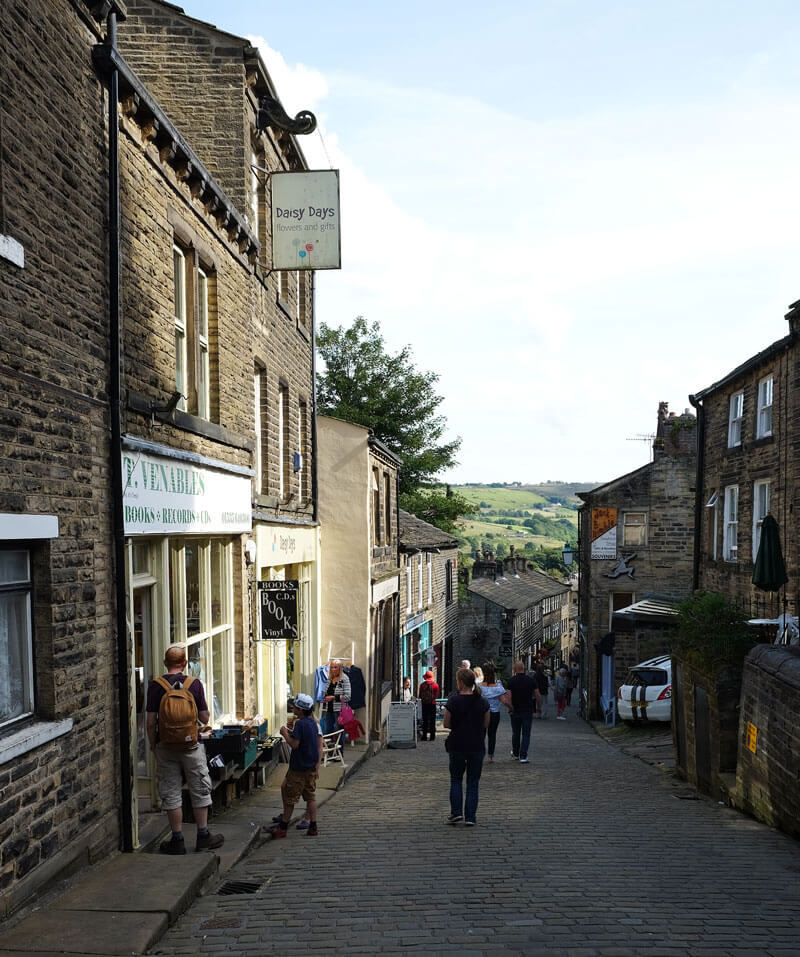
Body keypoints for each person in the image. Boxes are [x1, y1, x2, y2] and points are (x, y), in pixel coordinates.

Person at [146, 644, 224, 855]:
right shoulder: (194, 684)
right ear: (184, 664)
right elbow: (205, 717)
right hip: (191, 745)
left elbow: (151, 721)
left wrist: (154, 745)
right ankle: (203, 836)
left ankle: (177, 840)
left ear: (165, 663)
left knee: (171, 792)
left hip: (166, 746)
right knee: (199, 788)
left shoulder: (156, 686)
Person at [263, 693, 323, 839]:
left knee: (290, 799)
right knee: (311, 798)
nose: (292, 707)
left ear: (301, 710)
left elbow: (294, 744)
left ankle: (282, 828)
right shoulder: (313, 724)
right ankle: (313, 826)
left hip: (298, 769)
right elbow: (307, 741)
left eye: (295, 706)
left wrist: (284, 733)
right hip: (310, 768)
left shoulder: (300, 724)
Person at [443, 668, 490, 826]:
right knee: (472, 782)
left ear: (461, 683)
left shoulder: (453, 701)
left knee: (456, 779)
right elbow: (486, 724)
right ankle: (470, 817)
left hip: (457, 744)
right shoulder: (483, 702)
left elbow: (446, 723)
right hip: (476, 745)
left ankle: (456, 813)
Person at [506, 660, 538, 763]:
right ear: (524, 668)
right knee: (526, 734)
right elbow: (537, 695)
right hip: (527, 710)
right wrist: (539, 707)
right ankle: (523, 756)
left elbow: (508, 697)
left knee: (516, 733)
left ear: (515, 669)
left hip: (515, 711)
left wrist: (511, 708)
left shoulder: (511, 681)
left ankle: (515, 753)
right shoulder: (531, 680)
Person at [478, 662, 506, 762]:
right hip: (494, 713)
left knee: (481, 734)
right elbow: (504, 700)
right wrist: (511, 707)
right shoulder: (498, 687)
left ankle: (480, 754)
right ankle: (490, 756)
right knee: (492, 734)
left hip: (482, 713)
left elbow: (475, 699)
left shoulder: (479, 687)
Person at [321, 659, 351, 734]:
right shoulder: (330, 678)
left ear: (340, 668)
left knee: (339, 733)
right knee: (328, 732)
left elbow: (348, 696)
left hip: (339, 711)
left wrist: (333, 697)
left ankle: (340, 746)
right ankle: (330, 746)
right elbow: (327, 691)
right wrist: (325, 696)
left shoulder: (344, 678)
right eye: (331, 667)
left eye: (335, 667)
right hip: (329, 710)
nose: (333, 669)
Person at [418, 670, 440, 741]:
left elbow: (420, 695)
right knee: (432, 720)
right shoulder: (436, 685)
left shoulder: (422, 685)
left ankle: (424, 736)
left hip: (424, 704)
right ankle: (432, 736)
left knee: (425, 720)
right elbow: (436, 696)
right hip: (432, 704)